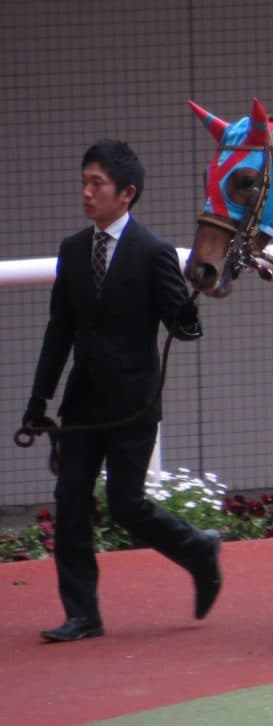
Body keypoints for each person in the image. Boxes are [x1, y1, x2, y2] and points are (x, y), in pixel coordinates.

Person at [21, 139, 221, 643]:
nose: (86, 193)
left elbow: (183, 328)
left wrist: (187, 313)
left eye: (97, 184)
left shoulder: (153, 251)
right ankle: (83, 614)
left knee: (127, 505)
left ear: (126, 194)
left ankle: (198, 549)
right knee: (69, 502)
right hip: (82, 403)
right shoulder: (72, 250)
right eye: (84, 182)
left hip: (134, 404)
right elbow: (58, 332)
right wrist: (38, 401)